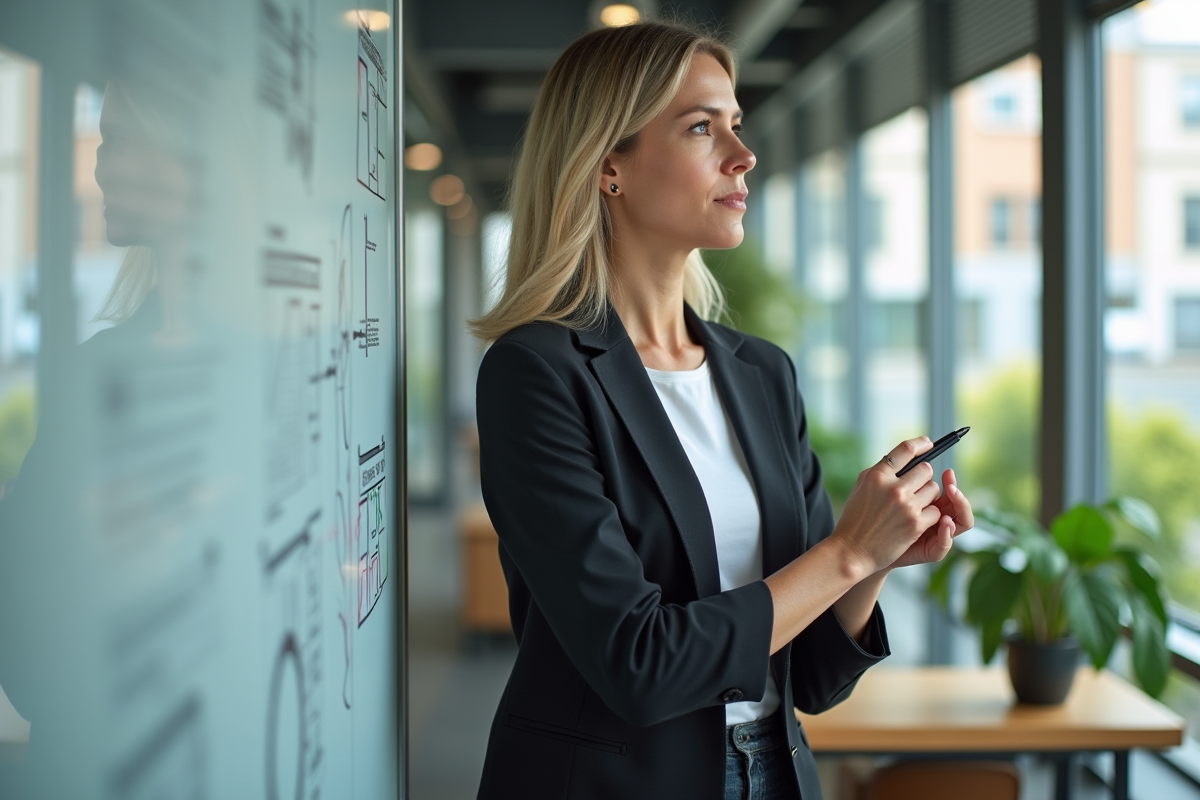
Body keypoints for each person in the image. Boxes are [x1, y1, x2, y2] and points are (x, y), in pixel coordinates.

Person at [469, 19, 974, 800]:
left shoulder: (761, 374)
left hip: (774, 771)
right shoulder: (535, 373)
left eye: (736, 125)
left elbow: (810, 680)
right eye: (703, 128)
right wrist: (843, 553)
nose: (744, 156)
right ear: (610, 167)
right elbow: (638, 664)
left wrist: (871, 564)